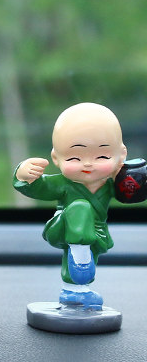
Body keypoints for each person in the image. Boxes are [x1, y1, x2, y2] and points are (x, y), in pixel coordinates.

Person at [13, 102, 129, 309]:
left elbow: (131, 194)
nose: (88, 164)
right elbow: (40, 188)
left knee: (90, 261)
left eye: (102, 156)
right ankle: (79, 255)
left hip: (96, 233)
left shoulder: (111, 184)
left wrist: (137, 179)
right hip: (63, 227)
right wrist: (24, 175)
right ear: (56, 158)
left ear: (121, 155)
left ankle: (75, 291)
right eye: (75, 157)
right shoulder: (63, 184)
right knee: (80, 207)